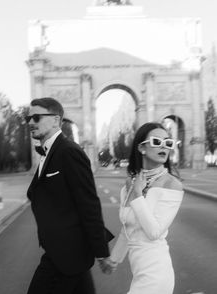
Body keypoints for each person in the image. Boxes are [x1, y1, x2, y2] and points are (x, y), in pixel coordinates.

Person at [26, 97, 113, 294]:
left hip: (65, 254)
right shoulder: (49, 153)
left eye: (37, 117)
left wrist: (101, 251)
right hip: (66, 253)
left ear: (56, 120)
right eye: (28, 118)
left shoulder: (69, 152)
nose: (30, 122)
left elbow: (88, 203)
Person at [109, 122, 184, 294]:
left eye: (168, 142)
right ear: (142, 148)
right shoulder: (130, 183)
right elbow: (128, 227)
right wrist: (114, 259)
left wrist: (138, 195)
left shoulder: (172, 185)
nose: (164, 146)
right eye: (157, 142)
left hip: (156, 273)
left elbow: (154, 232)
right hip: (139, 271)